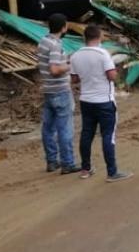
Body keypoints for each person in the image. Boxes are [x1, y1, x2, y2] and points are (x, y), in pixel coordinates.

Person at [70, 24, 132, 182]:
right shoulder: (103, 54)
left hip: (86, 101)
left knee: (86, 134)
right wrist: (117, 70)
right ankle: (112, 172)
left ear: (85, 37)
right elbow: (111, 76)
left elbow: (75, 79)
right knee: (107, 135)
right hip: (104, 101)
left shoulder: (76, 55)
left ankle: (85, 168)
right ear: (99, 37)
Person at [38, 13, 81, 174]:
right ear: (64, 27)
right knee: (65, 129)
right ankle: (68, 163)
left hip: (48, 90)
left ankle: (51, 161)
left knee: (48, 128)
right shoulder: (55, 45)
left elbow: (52, 63)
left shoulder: (44, 41)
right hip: (60, 90)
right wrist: (70, 64)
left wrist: (66, 59)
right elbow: (55, 69)